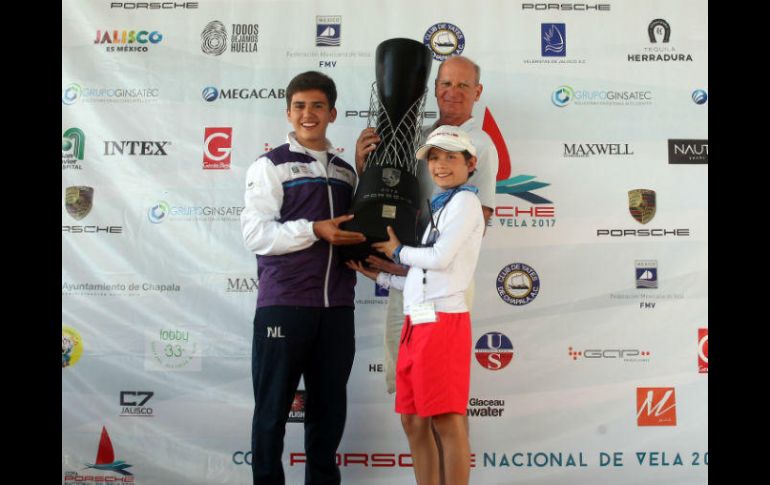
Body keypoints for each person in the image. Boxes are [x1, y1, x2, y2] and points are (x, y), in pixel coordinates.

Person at [240, 71, 366, 485]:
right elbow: (255, 235)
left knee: (328, 418)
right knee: (272, 413)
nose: (307, 114)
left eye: (316, 106)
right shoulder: (270, 165)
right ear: (288, 112)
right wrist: (314, 229)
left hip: (336, 310)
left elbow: (357, 230)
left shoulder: (347, 172)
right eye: (299, 106)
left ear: (332, 112)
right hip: (285, 306)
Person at [348, 125, 484, 485]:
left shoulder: (467, 202)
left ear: (471, 163)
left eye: (450, 157)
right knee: (412, 420)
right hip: (416, 322)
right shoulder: (441, 205)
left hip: (443, 324)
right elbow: (422, 277)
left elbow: (438, 259)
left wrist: (398, 251)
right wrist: (379, 276)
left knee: (446, 420)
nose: (440, 165)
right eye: (434, 158)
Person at [355, 55, 498, 395]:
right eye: (446, 83)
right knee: (409, 386)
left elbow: (482, 217)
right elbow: (384, 197)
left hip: (443, 285)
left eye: (463, 85)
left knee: (439, 389)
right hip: (407, 277)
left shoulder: (481, 144)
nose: (453, 92)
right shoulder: (414, 138)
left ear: (477, 92)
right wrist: (364, 168)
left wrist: (410, 258)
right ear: (434, 88)